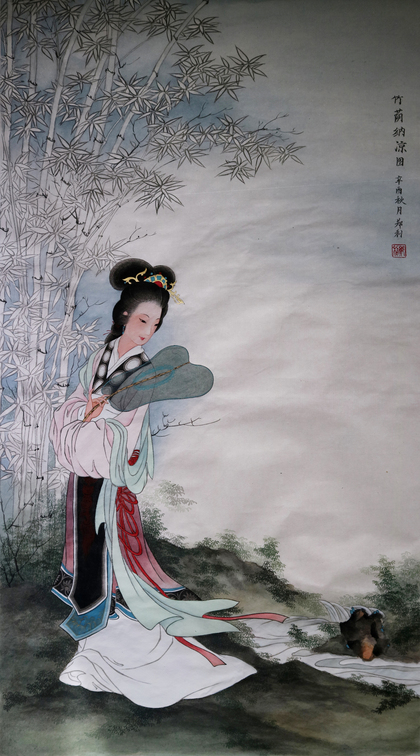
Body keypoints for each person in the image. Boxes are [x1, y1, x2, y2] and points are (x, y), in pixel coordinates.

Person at [50, 258, 274, 708]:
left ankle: (107, 606)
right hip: (83, 455)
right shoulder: (99, 357)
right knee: (82, 524)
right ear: (123, 316)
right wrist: (80, 412)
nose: (147, 331)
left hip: (107, 459)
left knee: (106, 530)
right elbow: (75, 398)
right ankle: (88, 593)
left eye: (155, 324)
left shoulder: (141, 367)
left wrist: (102, 422)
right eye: (142, 321)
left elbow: (131, 420)